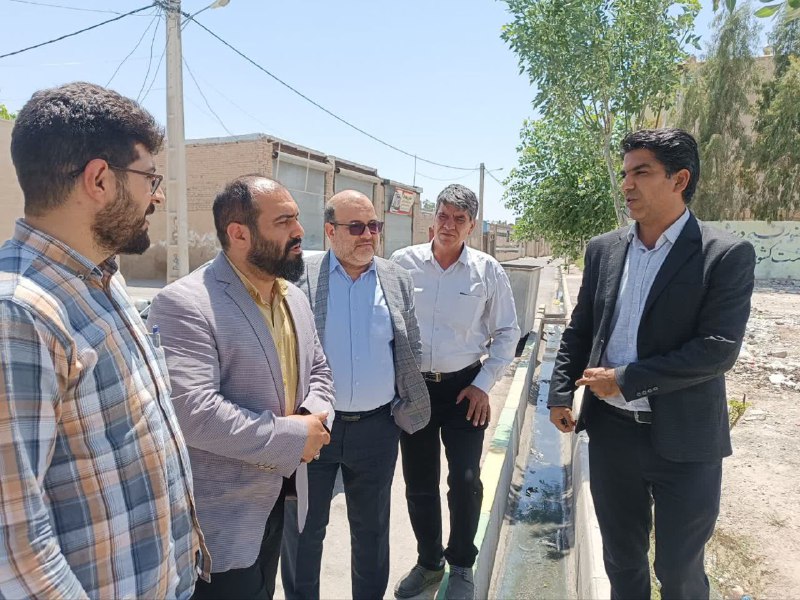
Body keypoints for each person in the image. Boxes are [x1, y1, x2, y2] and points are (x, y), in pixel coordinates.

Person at [0, 82, 209, 598]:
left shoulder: (103, 276)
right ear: (98, 179)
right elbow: (17, 554)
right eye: (149, 178)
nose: (157, 196)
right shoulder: (19, 315)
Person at [548, 128, 756, 599]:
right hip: (612, 436)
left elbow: (718, 349)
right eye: (625, 173)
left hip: (685, 438)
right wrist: (560, 393)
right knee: (622, 561)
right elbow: (582, 328)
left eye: (641, 173)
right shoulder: (604, 249)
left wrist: (625, 380)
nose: (627, 184)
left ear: (679, 179)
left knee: (679, 570)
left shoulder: (723, 254)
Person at [146, 175, 335, 600]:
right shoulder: (185, 303)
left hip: (281, 501)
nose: (299, 231)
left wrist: (313, 420)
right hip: (223, 522)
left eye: (296, 219)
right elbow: (195, 413)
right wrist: (294, 437)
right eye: (283, 221)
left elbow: (320, 369)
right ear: (239, 233)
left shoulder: (293, 296)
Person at [281, 190, 431, 600]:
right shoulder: (299, 277)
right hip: (315, 429)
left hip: (377, 430)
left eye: (374, 226)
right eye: (357, 227)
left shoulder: (396, 278)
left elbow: (410, 346)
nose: (369, 235)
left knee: (372, 531)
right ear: (330, 231)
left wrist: (401, 405)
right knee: (303, 530)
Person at [390, 184, 519, 600]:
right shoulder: (402, 263)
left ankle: (461, 564)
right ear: (434, 218)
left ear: (471, 226)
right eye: (443, 216)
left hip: (466, 389)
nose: (448, 225)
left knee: (465, 480)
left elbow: (507, 333)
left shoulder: (487, 271)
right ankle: (429, 563)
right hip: (415, 390)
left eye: (458, 220)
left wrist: (483, 385)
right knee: (419, 483)